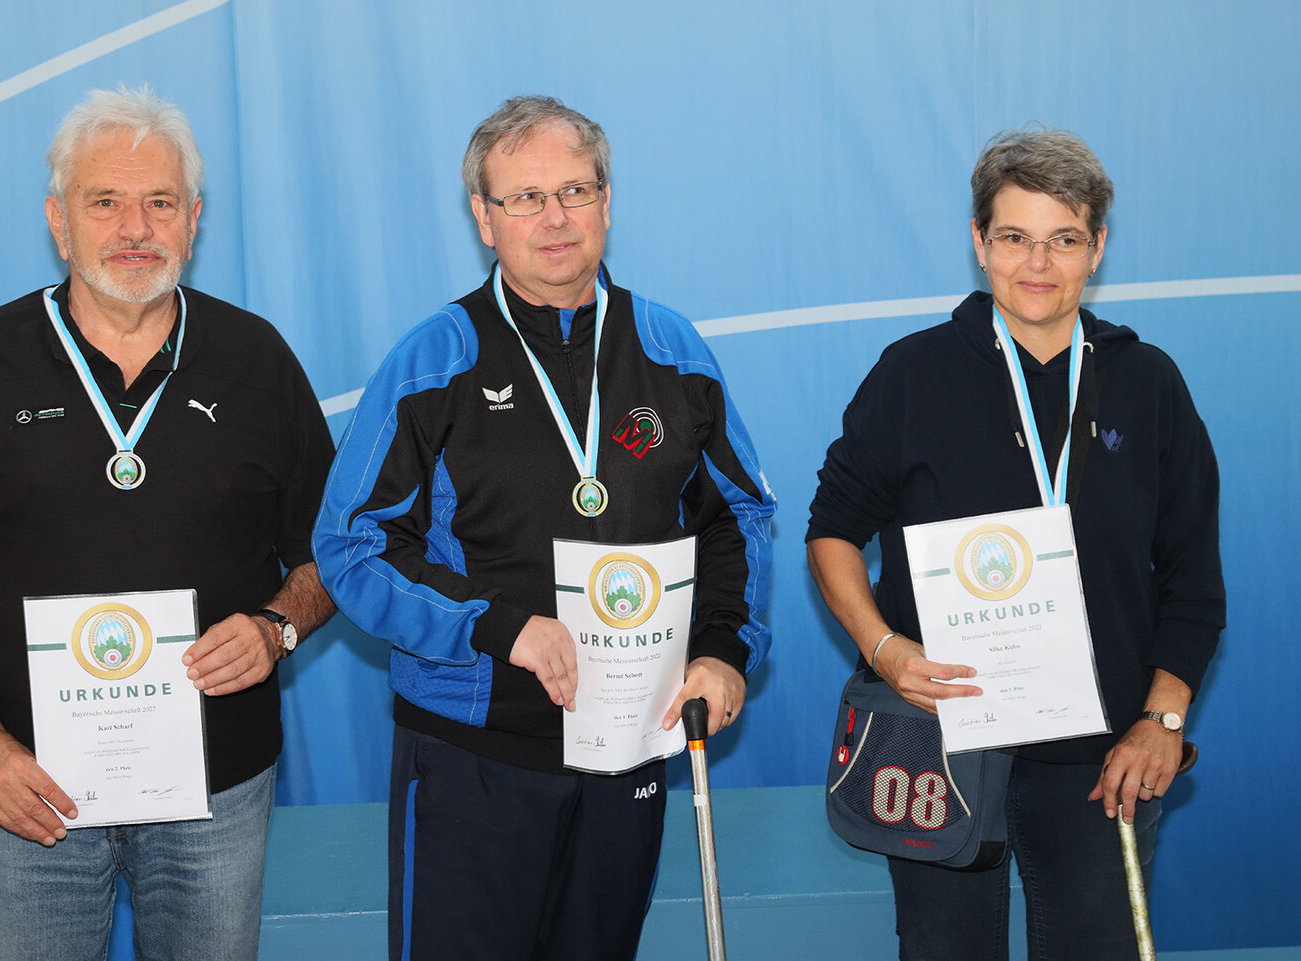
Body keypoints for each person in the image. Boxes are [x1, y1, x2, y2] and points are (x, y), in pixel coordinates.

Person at [0, 85, 335, 961]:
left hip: (216, 791)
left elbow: (329, 557)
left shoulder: (257, 360)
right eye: (105, 201)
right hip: (28, 795)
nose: (135, 228)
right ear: (59, 221)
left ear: (193, 220)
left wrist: (277, 628)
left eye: (160, 201)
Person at [313, 95, 775, 961]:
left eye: (575, 190)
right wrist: (497, 625)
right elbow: (352, 546)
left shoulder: (673, 349)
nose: (555, 218)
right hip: (473, 755)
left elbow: (735, 517)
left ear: (607, 200)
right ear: (484, 217)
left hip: (629, 743)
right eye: (525, 198)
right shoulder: (432, 360)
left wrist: (723, 649)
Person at [806, 128, 1224, 960]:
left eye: (1063, 239)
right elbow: (832, 531)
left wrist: (1162, 719)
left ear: (1096, 248)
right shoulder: (913, 374)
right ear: (979, 242)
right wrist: (883, 648)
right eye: (1014, 237)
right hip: (941, 741)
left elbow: (1193, 578)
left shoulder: (1149, 383)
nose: (1037, 263)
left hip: (1106, 758)